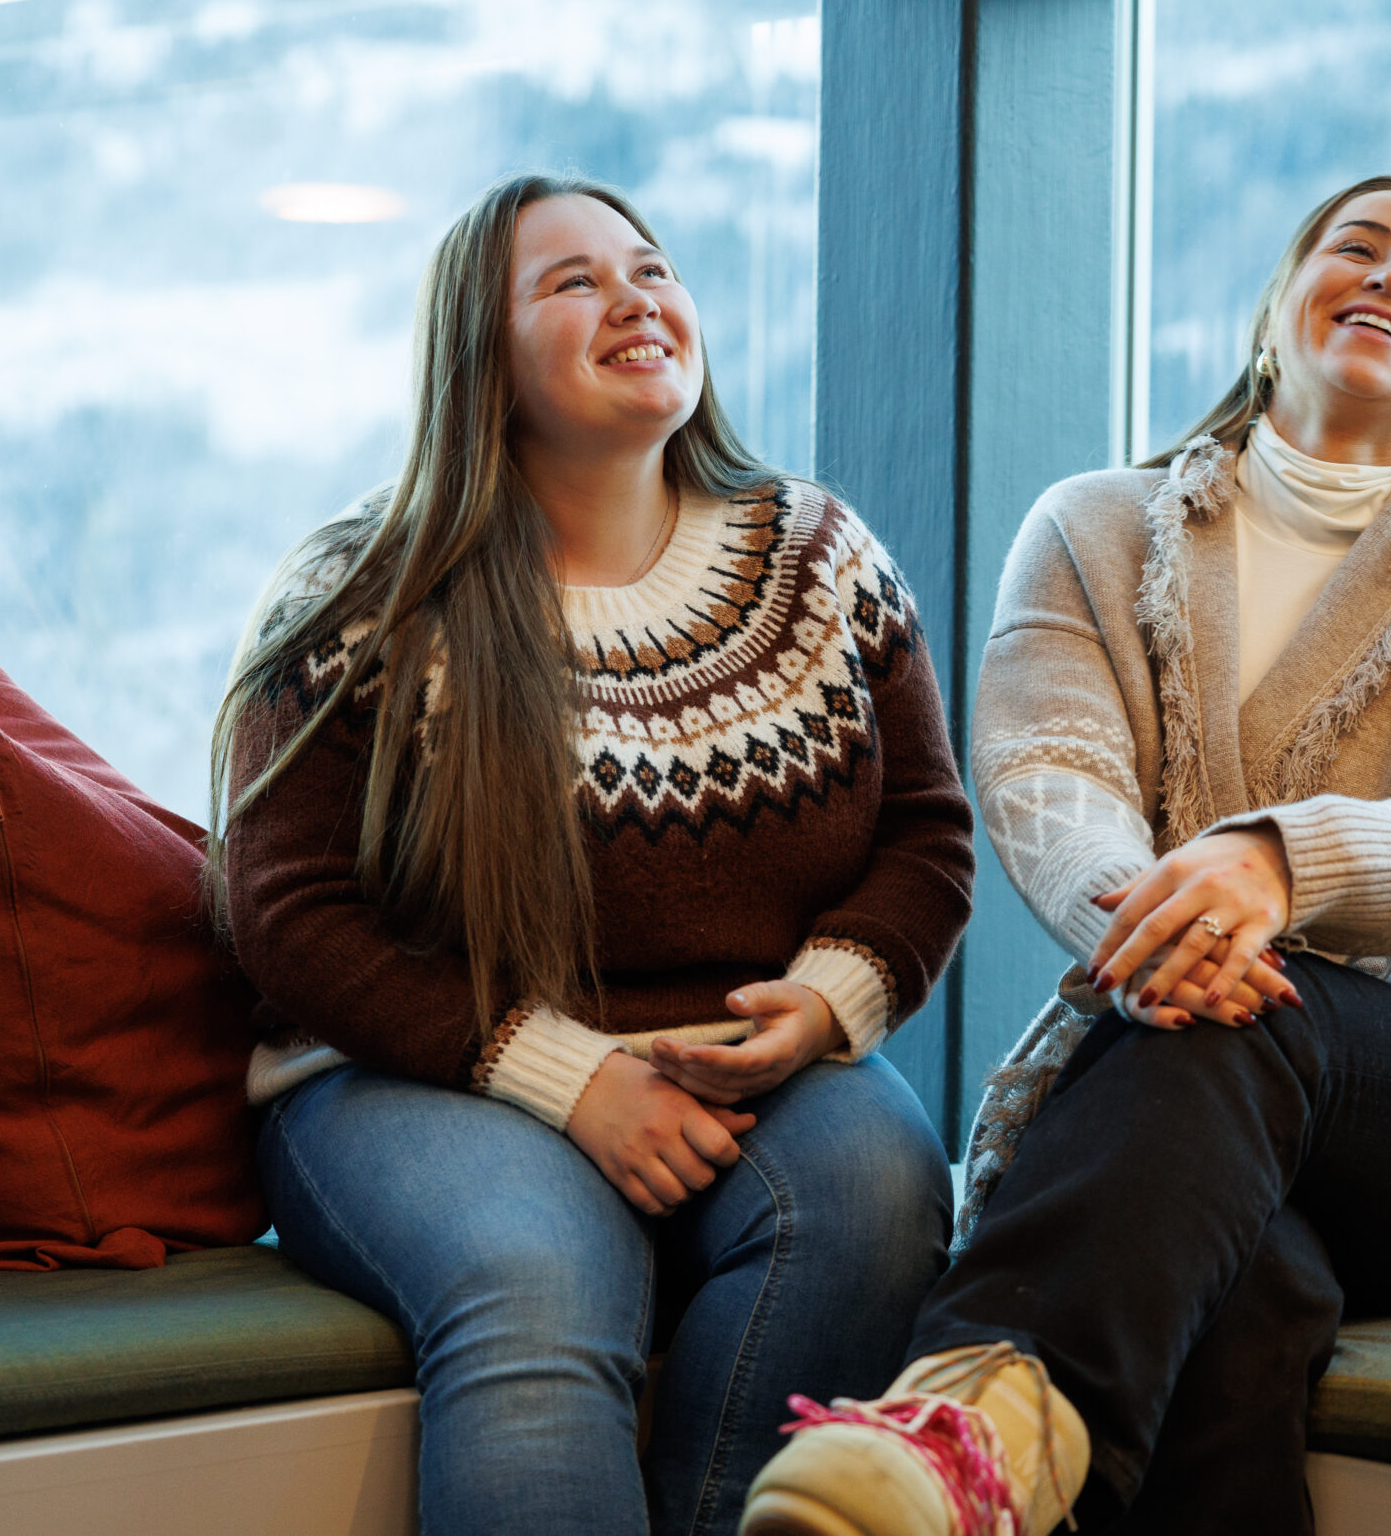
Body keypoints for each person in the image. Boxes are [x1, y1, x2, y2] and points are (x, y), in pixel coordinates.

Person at [741, 176, 1391, 1536]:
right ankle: (994, 1457)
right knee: (1242, 1291)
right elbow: (1047, 784)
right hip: (1171, 1057)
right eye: (1358, 247)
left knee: (1256, 1018)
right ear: (1278, 307)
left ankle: (958, 1419)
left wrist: (1274, 867)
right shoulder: (1092, 529)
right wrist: (1158, 929)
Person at [212, 174, 972, 1536]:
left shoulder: (822, 557)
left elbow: (928, 834)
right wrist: (569, 1080)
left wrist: (827, 1003)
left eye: (652, 268)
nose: (634, 297)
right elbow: (285, 916)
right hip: (419, 1072)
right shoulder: (364, 589)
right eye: (571, 282)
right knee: (538, 1270)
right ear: (479, 359)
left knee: (882, 1187)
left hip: (751, 1069)